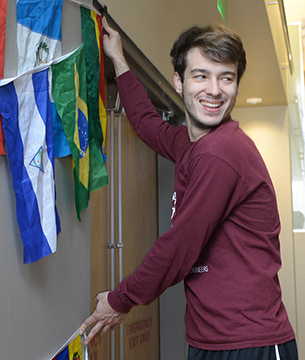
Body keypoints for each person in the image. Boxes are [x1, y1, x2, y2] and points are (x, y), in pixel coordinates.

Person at [80, 17, 298, 359]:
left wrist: (119, 300)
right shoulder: (191, 145)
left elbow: (179, 247)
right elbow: (149, 125)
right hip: (208, 339)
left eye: (226, 78)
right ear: (179, 82)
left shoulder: (221, 152)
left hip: (248, 344)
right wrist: (119, 60)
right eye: (201, 76)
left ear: (236, 87)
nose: (214, 89)